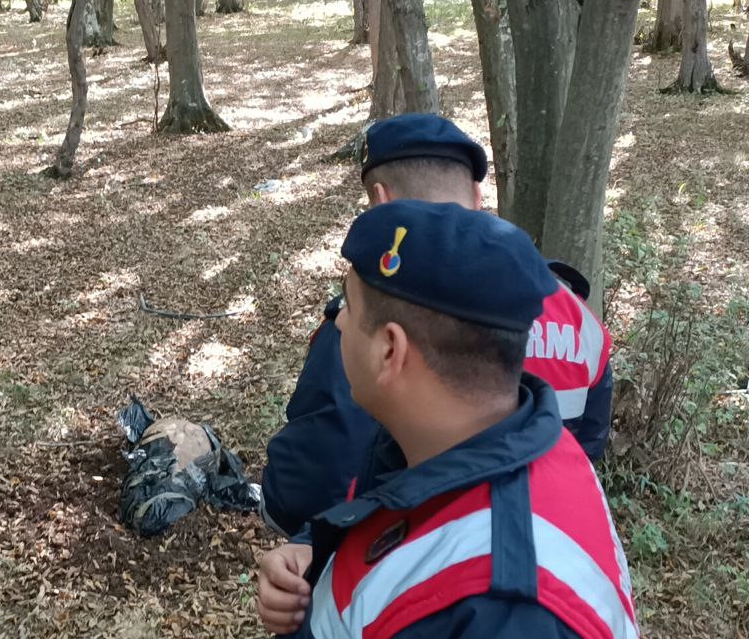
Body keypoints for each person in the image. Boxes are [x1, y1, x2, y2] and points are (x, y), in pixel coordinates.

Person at [259, 200, 638, 638]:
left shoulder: (504, 610)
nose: (339, 321)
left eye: (348, 305)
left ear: (389, 351)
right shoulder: (503, 438)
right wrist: (318, 552)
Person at [260, 114, 613, 539]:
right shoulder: (577, 315)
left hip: (412, 550)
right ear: (477, 195)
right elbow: (587, 447)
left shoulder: (378, 315)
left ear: (381, 199)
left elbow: (318, 470)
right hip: (553, 531)